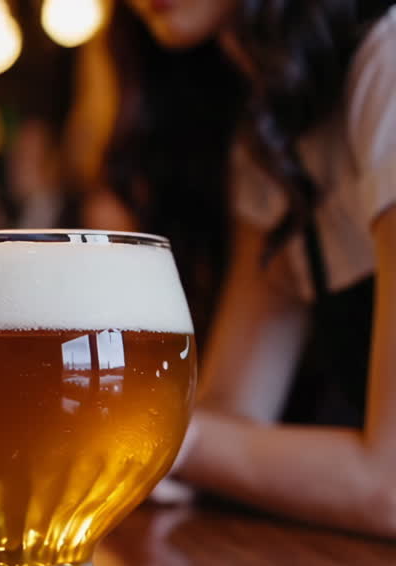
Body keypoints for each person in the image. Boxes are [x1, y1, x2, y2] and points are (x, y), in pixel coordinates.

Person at [98, 0, 396, 537]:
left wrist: (154, 438)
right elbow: (233, 411)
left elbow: (391, 485)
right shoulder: (273, 131)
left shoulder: (388, 62)